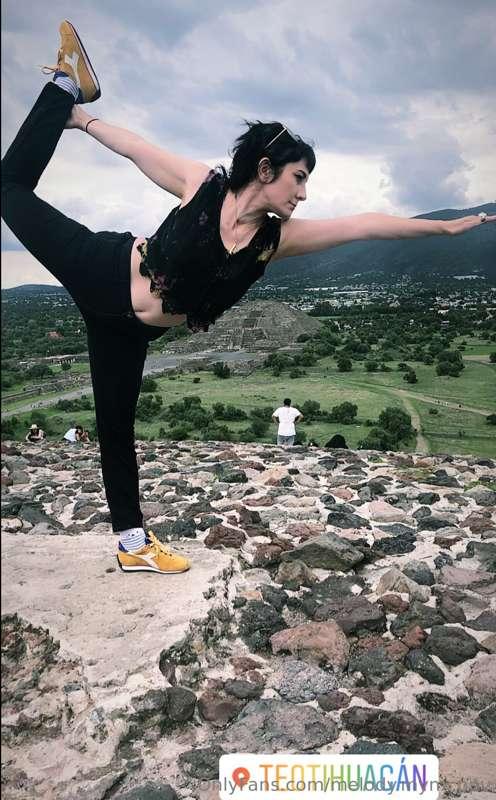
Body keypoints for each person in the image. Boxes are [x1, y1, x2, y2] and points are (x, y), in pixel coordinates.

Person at [2, 22, 493, 575]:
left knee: (116, 425)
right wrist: (82, 119)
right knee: (10, 189)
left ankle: (133, 543)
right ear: (266, 169)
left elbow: (365, 225)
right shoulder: (203, 185)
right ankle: (65, 91)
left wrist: (444, 230)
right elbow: (137, 149)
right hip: (104, 269)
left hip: (125, 331)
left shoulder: (276, 240)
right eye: (298, 178)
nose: (303, 194)